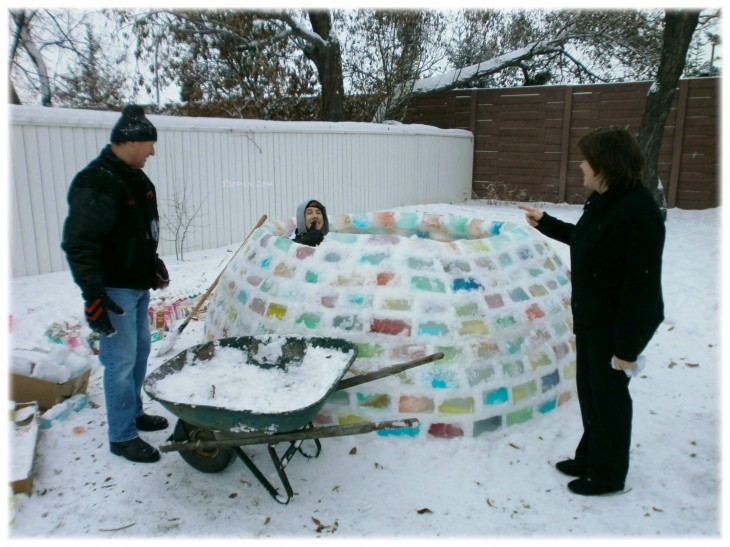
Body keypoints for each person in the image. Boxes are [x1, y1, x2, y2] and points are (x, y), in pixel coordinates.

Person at [518, 126, 665, 496]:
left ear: (605, 165)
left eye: (586, 160)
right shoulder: (608, 200)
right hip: (592, 320)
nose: (581, 166)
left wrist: (626, 348)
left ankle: (609, 474)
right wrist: (546, 222)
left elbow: (643, 289)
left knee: (610, 400)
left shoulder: (637, 212)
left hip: (615, 327)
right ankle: (591, 456)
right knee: (591, 394)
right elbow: (591, 241)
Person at [61, 105, 170, 464]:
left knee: (139, 354)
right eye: (149, 144)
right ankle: (122, 435)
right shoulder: (98, 181)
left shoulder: (135, 178)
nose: (152, 152)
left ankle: (134, 413)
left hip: (136, 287)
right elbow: (80, 244)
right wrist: (94, 296)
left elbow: (138, 234)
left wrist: (151, 262)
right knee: (120, 363)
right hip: (113, 292)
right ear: (129, 142)